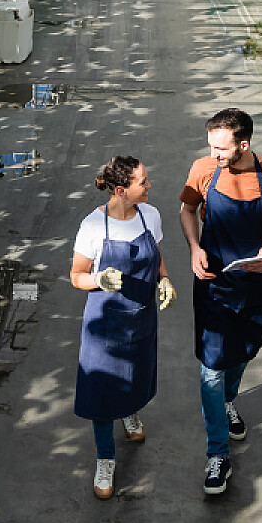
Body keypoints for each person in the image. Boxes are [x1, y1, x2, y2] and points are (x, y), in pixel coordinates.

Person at [178, 107, 262, 496]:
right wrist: (194, 248)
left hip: (254, 281)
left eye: (222, 148)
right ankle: (218, 454)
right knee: (211, 367)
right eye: (210, 146)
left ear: (244, 145)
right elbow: (187, 209)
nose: (214, 155)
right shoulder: (203, 169)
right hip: (211, 282)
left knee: (244, 350)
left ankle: (229, 401)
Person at [71, 155, 176, 499]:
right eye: (143, 182)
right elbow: (76, 276)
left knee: (135, 375)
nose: (149, 186)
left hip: (142, 317)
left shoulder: (151, 215)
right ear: (121, 190)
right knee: (101, 391)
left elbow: (156, 253)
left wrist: (164, 279)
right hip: (105, 325)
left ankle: (129, 413)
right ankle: (105, 459)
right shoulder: (92, 227)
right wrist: (99, 279)